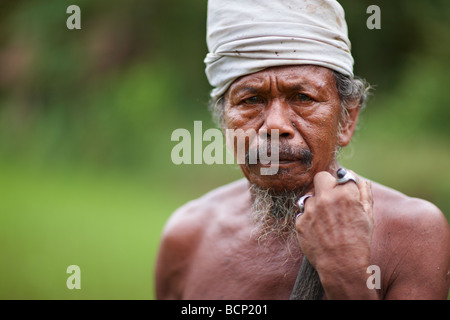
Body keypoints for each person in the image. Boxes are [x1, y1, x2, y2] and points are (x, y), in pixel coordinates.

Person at [155, 0, 450, 299]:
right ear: (224, 123)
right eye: (251, 100)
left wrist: (347, 277)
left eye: (302, 97)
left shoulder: (413, 235)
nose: (274, 125)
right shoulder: (187, 238)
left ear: (347, 120)